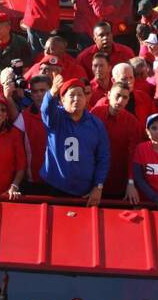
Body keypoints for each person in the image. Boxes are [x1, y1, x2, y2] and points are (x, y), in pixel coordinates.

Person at [37, 73, 109, 204]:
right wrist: (52, 92)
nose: (76, 99)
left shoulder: (96, 124)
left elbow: (103, 157)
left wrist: (98, 186)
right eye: (71, 95)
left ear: (86, 99)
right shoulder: (56, 118)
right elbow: (46, 110)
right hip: (55, 187)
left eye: (80, 95)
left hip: (84, 191)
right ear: (62, 100)